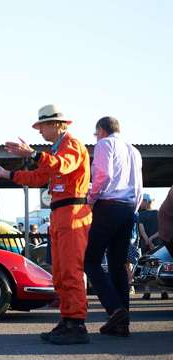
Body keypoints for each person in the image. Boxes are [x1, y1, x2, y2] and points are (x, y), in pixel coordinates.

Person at [0, 104, 92, 345]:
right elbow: (39, 177)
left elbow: (61, 165)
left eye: (42, 126)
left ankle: (76, 323)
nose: (40, 131)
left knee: (70, 270)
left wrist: (32, 155)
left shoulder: (72, 145)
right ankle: (68, 320)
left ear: (56, 124)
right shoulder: (56, 150)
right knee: (60, 271)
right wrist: (6, 174)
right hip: (61, 213)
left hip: (72, 212)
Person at [84, 116, 143, 338]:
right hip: (129, 208)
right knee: (119, 264)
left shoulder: (104, 144)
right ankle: (122, 323)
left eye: (95, 133)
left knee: (90, 260)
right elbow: (138, 185)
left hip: (108, 205)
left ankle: (114, 310)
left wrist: (91, 199)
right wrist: (133, 209)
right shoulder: (133, 150)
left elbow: (103, 174)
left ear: (101, 130)